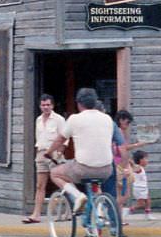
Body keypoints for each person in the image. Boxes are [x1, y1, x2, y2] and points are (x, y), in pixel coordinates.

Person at [44, 87, 114, 213]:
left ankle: (78, 196)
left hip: (84, 169)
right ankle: (100, 212)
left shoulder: (74, 119)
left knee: (55, 173)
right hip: (106, 169)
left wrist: (49, 152)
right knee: (96, 183)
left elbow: (60, 139)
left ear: (79, 103)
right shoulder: (107, 118)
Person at [23, 94, 65, 224]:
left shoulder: (59, 119)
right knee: (40, 185)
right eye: (43, 105)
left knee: (60, 182)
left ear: (52, 105)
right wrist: (38, 154)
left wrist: (59, 153)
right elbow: (38, 139)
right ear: (40, 106)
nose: (46, 107)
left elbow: (64, 139)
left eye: (48, 104)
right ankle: (36, 214)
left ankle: (67, 211)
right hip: (41, 153)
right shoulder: (38, 120)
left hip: (54, 154)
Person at [114, 109, 146, 221]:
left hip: (123, 164)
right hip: (119, 164)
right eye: (127, 122)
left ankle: (118, 219)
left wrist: (131, 163)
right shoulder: (118, 132)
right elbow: (121, 149)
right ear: (121, 120)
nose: (128, 125)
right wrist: (137, 144)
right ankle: (109, 209)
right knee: (124, 195)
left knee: (122, 194)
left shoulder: (120, 132)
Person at [129, 149, 156, 220]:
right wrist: (130, 161)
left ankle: (148, 215)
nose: (147, 160)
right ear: (140, 160)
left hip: (143, 187)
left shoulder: (140, 168)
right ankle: (129, 210)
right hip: (139, 188)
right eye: (146, 159)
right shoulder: (138, 167)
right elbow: (133, 166)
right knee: (141, 204)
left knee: (148, 200)